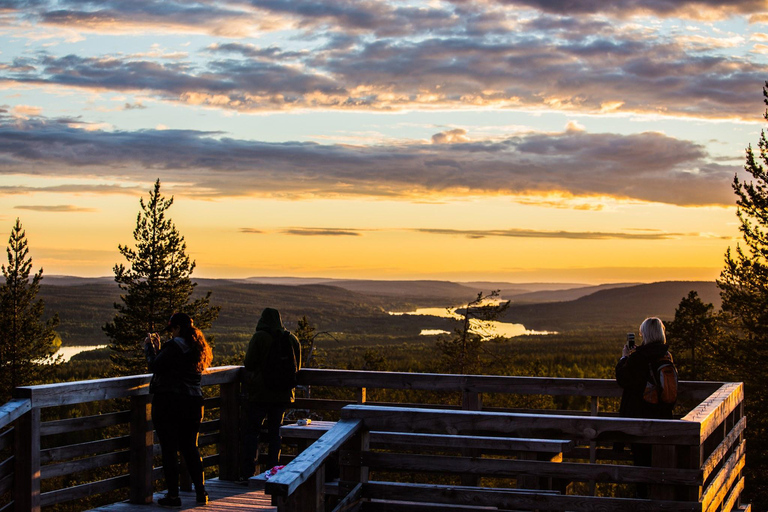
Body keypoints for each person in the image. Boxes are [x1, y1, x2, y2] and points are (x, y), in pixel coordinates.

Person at [144, 312, 213, 507]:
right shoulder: (197, 347)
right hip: (193, 402)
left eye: (172, 329)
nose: (171, 334)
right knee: (190, 447)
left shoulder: (175, 346)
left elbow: (155, 366)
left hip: (170, 403)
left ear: (178, 328)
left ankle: (173, 497)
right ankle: (201, 492)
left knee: (169, 449)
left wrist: (150, 347)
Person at [615, 316, 675, 498]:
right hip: (663, 418)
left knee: (642, 467)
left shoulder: (639, 357)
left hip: (641, 421)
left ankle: (644, 501)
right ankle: (661, 501)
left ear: (645, 334)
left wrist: (624, 358)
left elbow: (623, 379)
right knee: (661, 466)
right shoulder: (666, 355)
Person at [241, 307, 301, 479]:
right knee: (276, 433)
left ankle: (248, 472)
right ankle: (274, 472)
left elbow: (249, 363)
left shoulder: (259, 337)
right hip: (282, 394)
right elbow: (297, 367)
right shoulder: (291, 339)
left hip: (260, 394)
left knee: (252, 432)